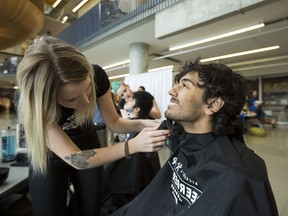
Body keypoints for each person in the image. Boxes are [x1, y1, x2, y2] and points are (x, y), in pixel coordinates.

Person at [15, 36, 169, 216]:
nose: (86, 101)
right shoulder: (33, 102)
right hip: (49, 157)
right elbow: (76, 159)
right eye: (71, 99)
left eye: (88, 89)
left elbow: (114, 123)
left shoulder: (96, 75)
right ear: (48, 97)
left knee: (90, 209)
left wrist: (144, 123)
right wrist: (133, 146)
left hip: (87, 143)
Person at [112, 59, 278, 216]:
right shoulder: (185, 142)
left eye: (184, 85)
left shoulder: (239, 176)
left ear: (212, 104)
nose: (172, 90)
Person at [101, 91, 161, 215]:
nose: (126, 99)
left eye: (131, 99)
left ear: (137, 109)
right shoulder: (137, 128)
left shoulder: (139, 135)